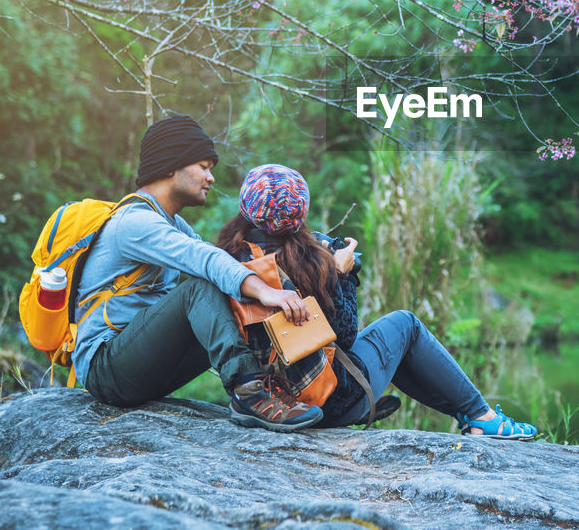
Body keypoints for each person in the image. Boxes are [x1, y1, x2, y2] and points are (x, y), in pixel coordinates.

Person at [216, 163, 538, 439]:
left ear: (247, 208)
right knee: (404, 325)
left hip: (273, 402)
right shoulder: (304, 265)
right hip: (327, 403)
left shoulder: (230, 262)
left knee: (390, 343)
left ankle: (470, 417)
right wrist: (340, 274)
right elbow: (345, 336)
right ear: (300, 212)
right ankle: (480, 417)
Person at [72, 114, 324, 432]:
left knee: (228, 288)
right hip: (107, 369)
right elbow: (203, 259)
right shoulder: (133, 223)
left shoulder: (171, 223)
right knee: (201, 288)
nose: (211, 178)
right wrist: (267, 292)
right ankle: (250, 392)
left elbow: (221, 263)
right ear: (170, 166)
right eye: (204, 167)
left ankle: (284, 388)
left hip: (144, 368)